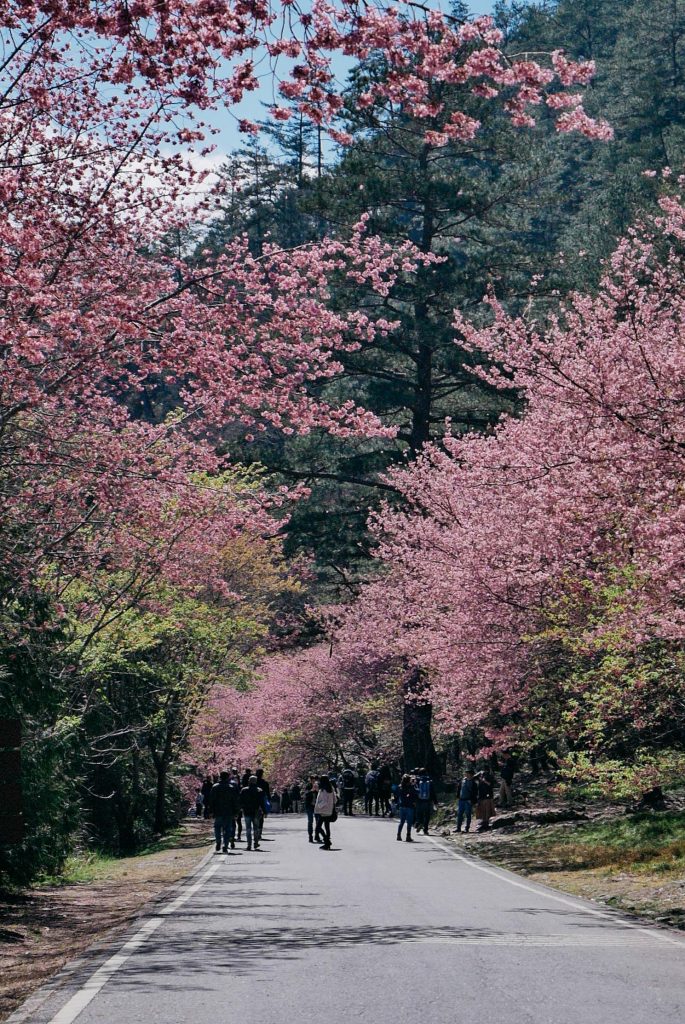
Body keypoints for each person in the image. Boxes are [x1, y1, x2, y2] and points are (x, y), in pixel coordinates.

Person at [209, 771, 239, 853]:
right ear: (227, 777)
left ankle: (218, 841)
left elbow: (211, 800)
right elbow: (235, 801)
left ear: (220, 777)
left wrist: (210, 811)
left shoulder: (215, 787)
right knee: (227, 829)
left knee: (217, 827)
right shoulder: (231, 787)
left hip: (218, 811)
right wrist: (236, 811)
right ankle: (225, 845)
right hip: (229, 811)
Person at [240, 774, 266, 850]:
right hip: (256, 811)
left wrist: (240, 809)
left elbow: (240, 801)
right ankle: (256, 842)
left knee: (248, 829)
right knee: (256, 828)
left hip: (247, 811)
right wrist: (264, 811)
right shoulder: (259, 790)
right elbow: (262, 802)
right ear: (256, 782)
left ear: (249, 781)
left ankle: (249, 844)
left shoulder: (244, 790)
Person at [314, 774, 336, 850]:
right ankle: (327, 843)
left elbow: (324, 801)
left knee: (318, 827)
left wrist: (318, 806)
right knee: (327, 827)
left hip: (323, 811)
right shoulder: (331, 788)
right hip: (329, 810)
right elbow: (335, 799)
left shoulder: (323, 790)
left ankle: (327, 841)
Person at [415, 768, 438, 835]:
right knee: (427, 815)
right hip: (428, 800)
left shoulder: (417, 780)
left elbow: (414, 791)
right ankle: (425, 829)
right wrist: (435, 801)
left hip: (419, 800)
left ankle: (419, 823)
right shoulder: (430, 781)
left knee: (419, 813)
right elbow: (433, 792)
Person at [396, 774, 417, 842]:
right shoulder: (411, 787)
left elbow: (397, 795)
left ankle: (398, 835)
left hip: (402, 806)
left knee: (401, 822)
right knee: (409, 822)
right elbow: (415, 793)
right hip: (409, 806)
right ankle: (408, 836)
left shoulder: (400, 787)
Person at [456, 768, 477, 833]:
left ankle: (467, 828)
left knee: (468, 815)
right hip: (461, 800)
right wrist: (458, 796)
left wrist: (472, 800)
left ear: (471, 775)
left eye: (468, 774)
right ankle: (458, 828)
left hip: (468, 800)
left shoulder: (474, 783)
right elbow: (459, 789)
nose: (466, 775)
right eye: (466, 773)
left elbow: (475, 793)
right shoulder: (463, 781)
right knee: (459, 814)